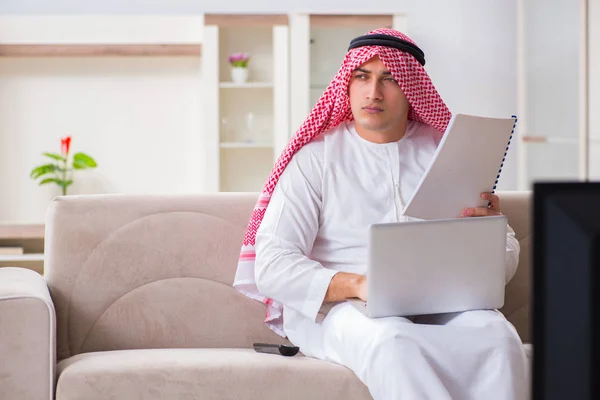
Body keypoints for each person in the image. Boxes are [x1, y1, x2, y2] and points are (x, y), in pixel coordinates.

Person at [233, 28, 528, 400]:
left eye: (389, 78)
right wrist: (357, 284)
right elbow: (273, 265)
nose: (373, 92)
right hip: (339, 309)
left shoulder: (447, 153)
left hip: (442, 303)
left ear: (411, 90)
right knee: (395, 341)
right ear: (348, 84)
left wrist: (487, 236)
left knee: (498, 337)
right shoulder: (316, 159)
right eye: (362, 76)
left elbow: (507, 254)